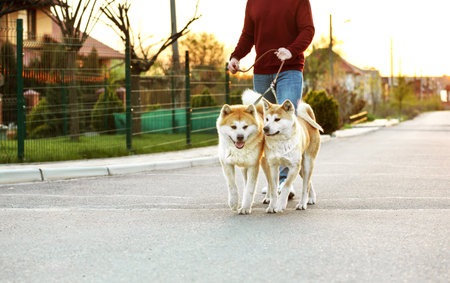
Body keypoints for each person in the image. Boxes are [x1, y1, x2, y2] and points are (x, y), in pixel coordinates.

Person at [228, 0, 315, 197]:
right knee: (265, 124)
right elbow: (248, 34)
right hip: (261, 70)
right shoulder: (253, 2)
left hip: (289, 68)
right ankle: (273, 179)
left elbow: (307, 30)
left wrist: (291, 50)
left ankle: (285, 181)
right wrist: (236, 57)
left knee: (285, 121)